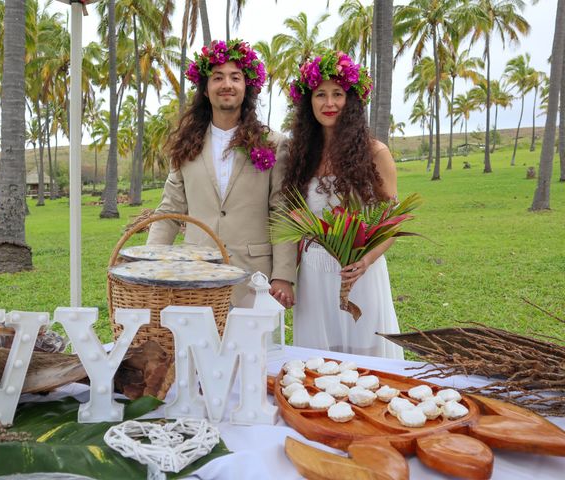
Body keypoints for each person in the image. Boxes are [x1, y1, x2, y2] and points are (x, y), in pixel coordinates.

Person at [147, 39, 296, 307]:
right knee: (197, 347)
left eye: (235, 77)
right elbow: (169, 211)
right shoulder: (185, 146)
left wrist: (283, 276)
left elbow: (282, 211)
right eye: (217, 77)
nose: (226, 84)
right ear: (205, 89)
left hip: (254, 279)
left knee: (254, 349)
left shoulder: (274, 143)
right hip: (196, 276)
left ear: (246, 87)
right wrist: (148, 264)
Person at [284, 50, 404, 359]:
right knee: (316, 366)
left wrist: (366, 261)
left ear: (350, 100)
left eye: (337, 93)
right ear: (308, 102)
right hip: (313, 277)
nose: (329, 103)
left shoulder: (375, 152)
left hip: (361, 275)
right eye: (320, 94)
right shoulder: (301, 155)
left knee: (367, 367)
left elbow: (392, 221)